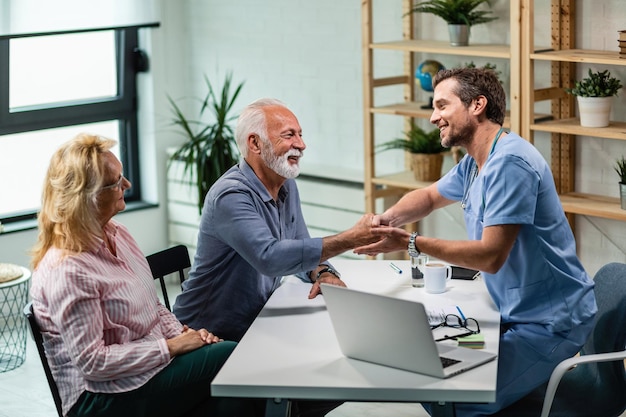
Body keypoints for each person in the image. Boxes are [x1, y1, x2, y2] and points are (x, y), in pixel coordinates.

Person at [355, 68, 597, 417]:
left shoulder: (510, 163)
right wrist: (384, 222)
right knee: (434, 374)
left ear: (477, 105)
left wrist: (412, 242)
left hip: (550, 321)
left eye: (441, 105)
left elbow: (490, 256)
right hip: (512, 311)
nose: (433, 116)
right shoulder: (476, 162)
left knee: (457, 401)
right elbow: (428, 196)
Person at [29, 133, 261, 417]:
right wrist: (173, 346)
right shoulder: (67, 269)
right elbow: (93, 363)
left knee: (232, 398)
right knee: (231, 355)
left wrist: (187, 336)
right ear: (86, 197)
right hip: (99, 398)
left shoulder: (120, 234)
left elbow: (153, 307)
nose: (126, 185)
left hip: (146, 373)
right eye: (115, 182)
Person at [173, 98, 378, 417]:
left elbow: (299, 245)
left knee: (341, 371)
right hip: (209, 336)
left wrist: (322, 272)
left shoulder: (284, 186)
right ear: (255, 143)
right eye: (289, 135)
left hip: (256, 323)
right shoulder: (231, 195)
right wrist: (351, 238)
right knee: (319, 380)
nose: (301, 144)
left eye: (300, 134)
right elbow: (270, 257)